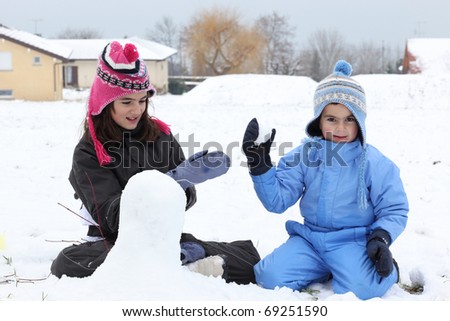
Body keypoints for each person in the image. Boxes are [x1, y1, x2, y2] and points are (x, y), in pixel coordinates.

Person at [51, 41, 260, 284]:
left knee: (248, 258)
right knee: (67, 262)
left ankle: (179, 256)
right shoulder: (88, 153)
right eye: (126, 102)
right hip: (113, 242)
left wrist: (185, 183)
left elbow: (187, 200)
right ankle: (183, 260)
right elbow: (110, 218)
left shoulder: (160, 136)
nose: (137, 110)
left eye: (142, 100)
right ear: (106, 103)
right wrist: (168, 183)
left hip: (163, 235)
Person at [242, 60, 409, 300]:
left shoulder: (374, 163)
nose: (341, 127)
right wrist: (260, 165)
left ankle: (387, 270)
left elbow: (394, 209)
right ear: (318, 121)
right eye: (331, 119)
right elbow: (276, 202)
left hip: (353, 243)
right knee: (269, 277)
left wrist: (380, 237)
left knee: (363, 289)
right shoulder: (304, 155)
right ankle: (322, 267)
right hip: (310, 240)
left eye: (350, 119)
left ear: (360, 120)